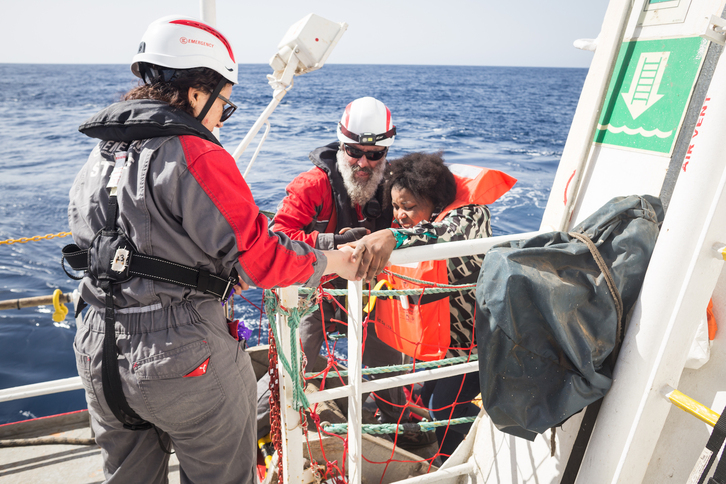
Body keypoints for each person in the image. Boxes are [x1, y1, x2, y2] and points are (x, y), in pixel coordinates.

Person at [64, 16, 361, 484]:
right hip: (182, 357)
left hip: (97, 348)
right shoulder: (196, 153)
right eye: (225, 103)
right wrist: (330, 259)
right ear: (198, 93)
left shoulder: (101, 155)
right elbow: (260, 258)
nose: (224, 117)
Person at [257, 97, 415, 439]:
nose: (363, 162)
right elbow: (278, 237)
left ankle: (397, 422)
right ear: (340, 145)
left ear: (386, 154)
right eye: (353, 151)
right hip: (313, 295)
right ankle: (249, 425)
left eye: (374, 155)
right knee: (291, 369)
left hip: (370, 296)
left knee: (387, 365)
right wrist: (333, 245)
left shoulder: (395, 187)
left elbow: (425, 219)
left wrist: (394, 236)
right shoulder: (312, 185)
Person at [351, 151, 515, 460]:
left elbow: (444, 236)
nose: (400, 216)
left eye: (408, 207)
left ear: (436, 202)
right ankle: (465, 443)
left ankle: (450, 467)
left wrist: (391, 235)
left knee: (442, 408)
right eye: (396, 207)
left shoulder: (471, 217)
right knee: (429, 398)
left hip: (484, 342)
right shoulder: (413, 224)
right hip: (447, 345)